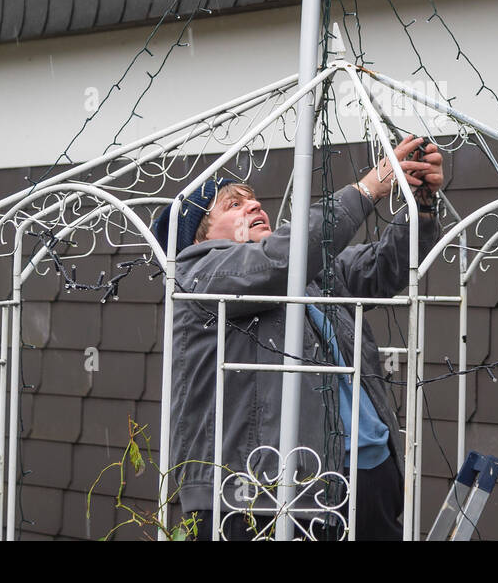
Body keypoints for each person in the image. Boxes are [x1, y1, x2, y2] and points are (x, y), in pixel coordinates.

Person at [154, 133, 444, 540]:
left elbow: (385, 266)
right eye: (233, 205)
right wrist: (367, 188)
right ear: (199, 237)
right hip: (263, 490)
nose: (253, 205)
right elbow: (279, 260)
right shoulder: (199, 273)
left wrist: (421, 201)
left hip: (367, 472)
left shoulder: (311, 273)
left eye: (252, 199)